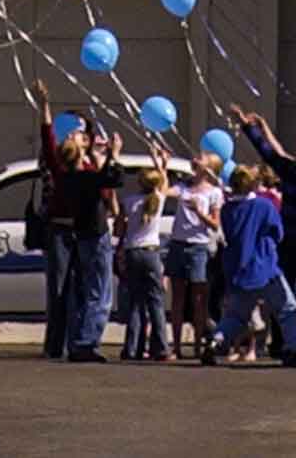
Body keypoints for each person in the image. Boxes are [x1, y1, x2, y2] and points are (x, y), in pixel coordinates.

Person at [232, 103, 296, 365]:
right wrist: (252, 127)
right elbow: (271, 154)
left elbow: (275, 155)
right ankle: (290, 344)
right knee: (286, 292)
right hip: (293, 239)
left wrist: (254, 128)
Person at [200, 165, 296, 366]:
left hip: (238, 269)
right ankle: (293, 348)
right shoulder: (264, 207)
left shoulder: (228, 209)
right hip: (264, 267)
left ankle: (215, 342)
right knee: (288, 308)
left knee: (236, 316)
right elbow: (278, 233)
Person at [57, 122, 126, 362]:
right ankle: (87, 342)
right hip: (95, 236)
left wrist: (100, 157)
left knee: (86, 290)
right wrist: (114, 155)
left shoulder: (68, 178)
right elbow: (112, 179)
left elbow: (104, 177)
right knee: (100, 293)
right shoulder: (84, 178)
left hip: (83, 235)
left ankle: (78, 340)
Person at [31, 81, 87, 359]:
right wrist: (44, 106)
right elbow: (47, 136)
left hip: (78, 233)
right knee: (60, 288)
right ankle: (58, 343)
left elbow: (47, 135)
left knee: (74, 289)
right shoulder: (60, 166)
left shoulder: (88, 168)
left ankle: (70, 341)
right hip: (61, 232)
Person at [117, 145, 172, 361]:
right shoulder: (157, 200)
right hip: (151, 252)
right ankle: (160, 347)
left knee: (135, 302)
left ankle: (132, 348)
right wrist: (161, 162)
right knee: (156, 302)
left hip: (132, 251)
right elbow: (164, 180)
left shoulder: (129, 201)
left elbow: (120, 229)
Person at [166, 151, 222, 360]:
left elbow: (215, 224)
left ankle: (199, 345)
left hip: (199, 247)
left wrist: (199, 212)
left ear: (209, 168)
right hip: (178, 244)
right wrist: (162, 166)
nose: (195, 159)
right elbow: (163, 191)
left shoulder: (214, 192)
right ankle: (177, 346)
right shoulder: (184, 186)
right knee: (178, 298)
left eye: (201, 158)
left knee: (199, 300)